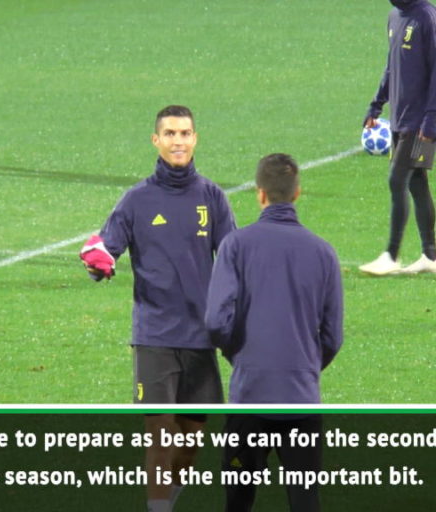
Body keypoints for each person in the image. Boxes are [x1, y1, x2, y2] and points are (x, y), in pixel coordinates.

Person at [80, 105, 236, 512]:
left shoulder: (212, 197)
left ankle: (167, 501)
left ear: (195, 138)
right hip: (154, 336)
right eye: (169, 134)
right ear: (156, 140)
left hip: (200, 335)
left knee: (191, 439)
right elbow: (104, 251)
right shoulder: (136, 200)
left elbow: (233, 260)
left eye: (184, 133)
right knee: (160, 433)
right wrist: (97, 263)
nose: (177, 141)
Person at [205, 153, 343, 511]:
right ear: (297, 193)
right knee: (305, 501)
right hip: (302, 400)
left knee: (238, 502)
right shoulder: (324, 253)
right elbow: (333, 336)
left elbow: (216, 321)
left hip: (250, 398)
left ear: (260, 193)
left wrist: (240, 356)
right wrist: (305, 366)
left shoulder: (235, 246)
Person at [359, 0, 436, 275]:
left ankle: (391, 255)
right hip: (399, 118)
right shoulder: (394, 16)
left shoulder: (427, 17)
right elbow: (392, 65)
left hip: (420, 122)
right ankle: (430, 255)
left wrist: (431, 119)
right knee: (417, 182)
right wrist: (376, 104)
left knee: (397, 179)